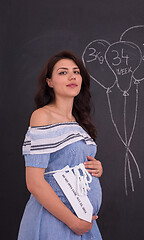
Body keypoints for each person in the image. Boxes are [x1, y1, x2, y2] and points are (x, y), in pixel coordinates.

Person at [18, 50, 103, 240]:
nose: (72, 76)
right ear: (50, 82)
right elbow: (34, 182)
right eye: (63, 72)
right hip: (56, 221)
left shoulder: (79, 122)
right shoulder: (42, 116)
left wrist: (95, 168)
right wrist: (74, 222)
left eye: (76, 71)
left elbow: (69, 161)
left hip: (84, 222)